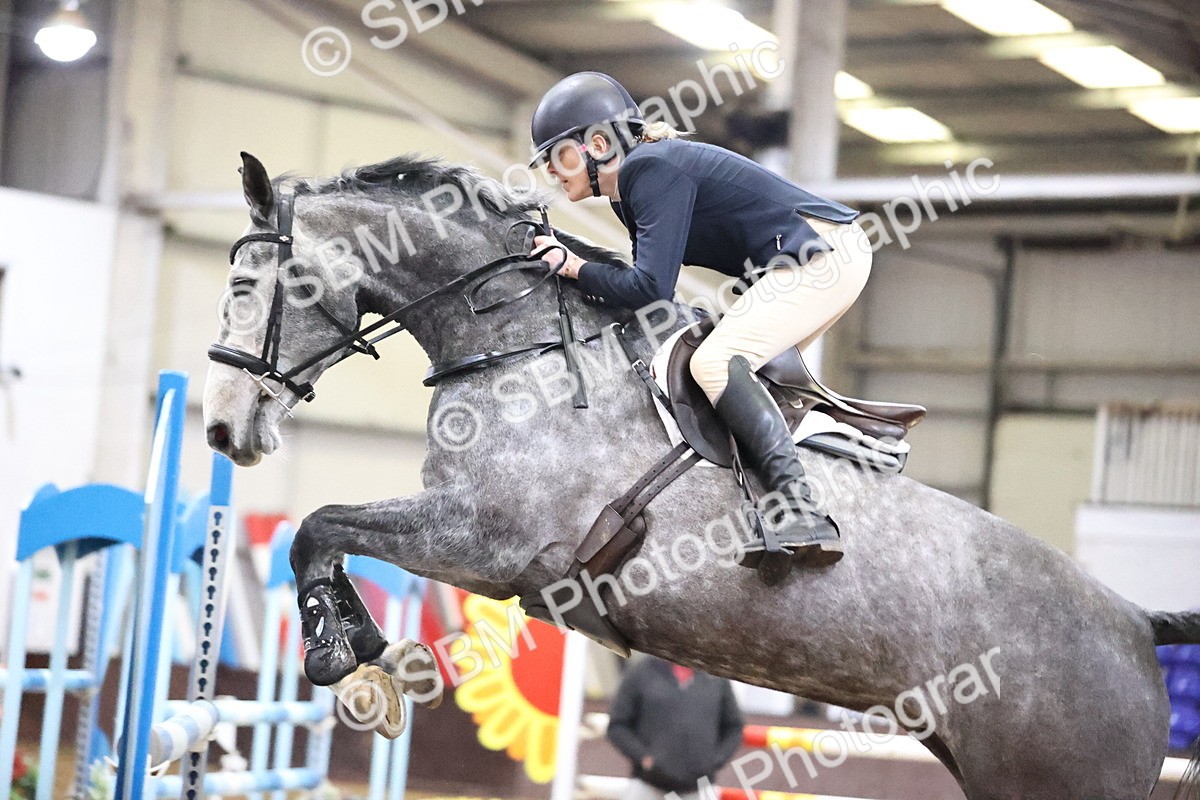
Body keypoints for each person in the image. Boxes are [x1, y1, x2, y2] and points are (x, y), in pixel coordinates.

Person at [527, 72, 872, 570]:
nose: (552, 174)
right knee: (731, 374)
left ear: (597, 145)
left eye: (557, 158)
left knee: (715, 362)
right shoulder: (634, 185)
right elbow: (642, 293)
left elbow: (648, 290)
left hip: (819, 255)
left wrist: (575, 266)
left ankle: (799, 507)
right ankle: (772, 496)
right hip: (811, 257)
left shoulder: (649, 170)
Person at [606, 656, 744, 800]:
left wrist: (714, 760)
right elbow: (618, 725)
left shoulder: (716, 676)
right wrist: (644, 757)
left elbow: (734, 727)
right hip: (648, 787)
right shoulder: (641, 671)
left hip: (701, 788)